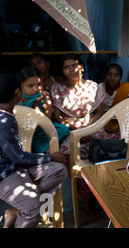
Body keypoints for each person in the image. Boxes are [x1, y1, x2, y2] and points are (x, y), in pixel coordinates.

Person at [0, 69, 67, 228]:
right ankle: (27, 210)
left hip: (11, 166)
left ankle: (17, 211)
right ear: (18, 93)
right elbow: (19, 157)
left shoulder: (3, 112)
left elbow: (16, 156)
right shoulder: (2, 123)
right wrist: (50, 157)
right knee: (34, 208)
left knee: (58, 170)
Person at [50, 53, 105, 211]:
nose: (72, 69)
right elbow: (58, 117)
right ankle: (85, 193)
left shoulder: (94, 86)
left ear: (81, 66)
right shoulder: (57, 88)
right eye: (67, 67)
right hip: (71, 130)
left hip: (93, 126)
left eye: (74, 65)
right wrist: (76, 130)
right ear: (62, 71)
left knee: (104, 148)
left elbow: (99, 112)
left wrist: (89, 129)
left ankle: (99, 192)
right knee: (64, 152)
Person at [19, 66, 70, 153]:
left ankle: (41, 149)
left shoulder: (45, 98)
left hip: (41, 131)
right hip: (23, 132)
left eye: (39, 84)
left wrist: (36, 104)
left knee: (63, 129)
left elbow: (45, 123)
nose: (36, 89)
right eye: (30, 86)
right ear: (21, 85)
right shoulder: (17, 98)